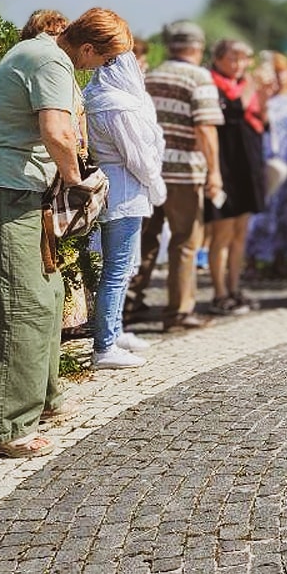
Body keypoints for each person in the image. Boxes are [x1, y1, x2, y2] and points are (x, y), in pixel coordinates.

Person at [0, 8, 130, 458]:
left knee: (48, 294)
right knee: (19, 303)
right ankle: (5, 429)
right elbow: (56, 131)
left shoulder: (40, 52)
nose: (103, 68)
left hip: (19, 190)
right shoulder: (52, 60)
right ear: (88, 48)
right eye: (105, 59)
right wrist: (79, 181)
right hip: (5, 189)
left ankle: (42, 399)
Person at [126, 21, 222, 330]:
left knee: (146, 239)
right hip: (183, 173)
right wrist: (215, 172)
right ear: (198, 47)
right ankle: (179, 312)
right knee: (184, 241)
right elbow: (205, 128)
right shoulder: (200, 77)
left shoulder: (151, 75)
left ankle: (130, 303)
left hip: (150, 171)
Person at [82, 48, 166, 369]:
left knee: (122, 267)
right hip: (125, 190)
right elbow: (138, 157)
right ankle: (104, 345)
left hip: (112, 186)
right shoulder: (117, 106)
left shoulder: (96, 98)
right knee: (116, 271)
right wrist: (156, 185)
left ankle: (115, 331)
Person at [205, 38, 267, 316]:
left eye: (244, 59)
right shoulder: (211, 84)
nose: (239, 65)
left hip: (248, 165)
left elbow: (261, 120)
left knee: (241, 233)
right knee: (222, 233)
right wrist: (253, 85)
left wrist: (263, 92)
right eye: (233, 58)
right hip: (225, 166)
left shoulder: (246, 87)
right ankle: (219, 293)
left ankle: (234, 287)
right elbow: (232, 112)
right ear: (218, 59)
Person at [245, 51, 287, 277]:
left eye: (282, 71)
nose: (279, 77)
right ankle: (252, 259)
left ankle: (282, 259)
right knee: (263, 210)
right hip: (269, 158)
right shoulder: (266, 99)